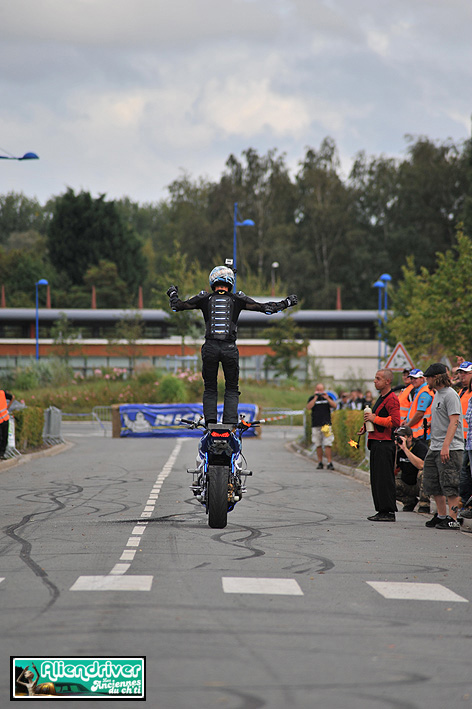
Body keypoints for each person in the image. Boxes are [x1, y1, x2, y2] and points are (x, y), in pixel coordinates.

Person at [167, 266, 298, 425]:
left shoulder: (204, 298)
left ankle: (210, 424)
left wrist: (173, 293)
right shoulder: (238, 299)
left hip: (210, 348)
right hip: (229, 349)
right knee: (231, 388)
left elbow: (177, 306)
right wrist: (287, 302)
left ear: (212, 281)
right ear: (230, 282)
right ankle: (229, 424)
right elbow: (267, 309)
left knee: (210, 388)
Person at [422, 363, 464, 530]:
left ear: (436, 378)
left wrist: (446, 446)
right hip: (435, 446)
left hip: (450, 447)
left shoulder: (450, 395)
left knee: (450, 483)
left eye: (428, 378)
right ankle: (441, 515)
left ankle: (452, 518)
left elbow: (454, 421)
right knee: (433, 482)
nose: (427, 380)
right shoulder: (438, 394)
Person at [360, 369, 401, 521]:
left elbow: (395, 422)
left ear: (387, 381)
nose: (375, 381)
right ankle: (381, 510)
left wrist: (374, 419)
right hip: (376, 442)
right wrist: (366, 426)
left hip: (385, 444)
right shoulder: (381, 397)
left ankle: (388, 512)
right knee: (377, 479)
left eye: (378, 378)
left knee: (384, 479)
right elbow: (377, 418)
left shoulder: (392, 399)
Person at [394, 424, 428, 511]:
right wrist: (395, 450)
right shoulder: (398, 449)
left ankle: (424, 504)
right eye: (397, 436)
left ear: (409, 437)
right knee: (388, 482)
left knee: (423, 474)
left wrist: (405, 449)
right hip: (407, 483)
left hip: (419, 484)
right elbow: (393, 469)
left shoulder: (419, 446)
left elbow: (421, 465)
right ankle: (409, 501)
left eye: (402, 436)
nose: (399, 439)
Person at [306, 383, 337, 470]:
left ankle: (329, 462)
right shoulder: (312, 398)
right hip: (316, 424)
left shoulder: (327, 398)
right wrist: (315, 397)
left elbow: (334, 405)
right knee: (318, 443)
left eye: (321, 390)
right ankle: (320, 462)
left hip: (326, 424)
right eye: (318, 389)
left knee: (328, 443)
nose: (320, 391)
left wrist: (327, 398)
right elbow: (308, 407)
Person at [456, 361, 472, 515]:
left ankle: (467, 504)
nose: (462, 376)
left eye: (466, 373)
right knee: (462, 472)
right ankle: (464, 502)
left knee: (466, 472)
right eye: (461, 373)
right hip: (462, 439)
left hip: (469, 439)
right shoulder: (461, 392)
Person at [404, 369, 433, 440]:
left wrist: (407, 426)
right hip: (419, 433)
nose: (413, 380)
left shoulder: (424, 393)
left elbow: (420, 413)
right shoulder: (419, 391)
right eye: (411, 378)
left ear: (422, 378)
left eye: (415, 378)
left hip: (422, 433)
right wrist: (406, 421)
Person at [0, 387, 14, 459]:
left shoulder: (2, 393)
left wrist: (7, 408)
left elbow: (12, 397)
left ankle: (2, 453)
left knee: (4, 437)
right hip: (3, 419)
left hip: (5, 419)